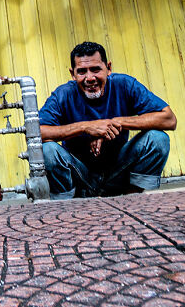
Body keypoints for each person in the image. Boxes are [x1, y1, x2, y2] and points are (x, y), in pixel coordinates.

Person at [38, 41, 177, 199]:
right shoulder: (63, 94)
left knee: (158, 139)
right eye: (82, 71)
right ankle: (66, 207)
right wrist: (85, 127)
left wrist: (115, 123)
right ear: (72, 73)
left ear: (108, 68)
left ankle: (132, 200)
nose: (89, 78)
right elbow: (37, 132)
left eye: (96, 69)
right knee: (47, 149)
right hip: (79, 178)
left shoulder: (124, 85)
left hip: (118, 174)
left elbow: (168, 119)